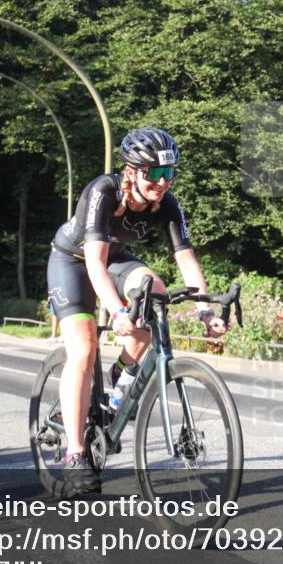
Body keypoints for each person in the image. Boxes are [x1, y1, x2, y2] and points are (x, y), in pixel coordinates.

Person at [46, 127, 228, 491]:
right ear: (131, 171)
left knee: (155, 291)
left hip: (115, 258)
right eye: (155, 174)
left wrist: (206, 312)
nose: (163, 183)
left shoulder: (168, 204)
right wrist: (116, 313)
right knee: (83, 349)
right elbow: (94, 265)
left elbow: (187, 262)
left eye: (169, 173)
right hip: (73, 262)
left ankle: (118, 381)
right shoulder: (103, 191)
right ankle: (75, 453)